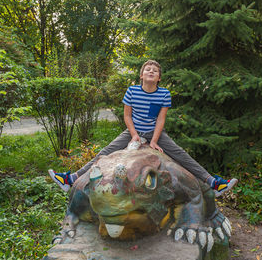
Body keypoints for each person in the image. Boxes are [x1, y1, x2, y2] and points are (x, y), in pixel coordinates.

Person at [48, 60, 237, 196]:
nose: (151, 71)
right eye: (148, 69)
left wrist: (154, 140)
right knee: (105, 152)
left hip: (155, 133)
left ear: (159, 78)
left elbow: (161, 119)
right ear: (141, 75)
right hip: (133, 131)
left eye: (155, 70)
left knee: (180, 154)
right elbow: (127, 116)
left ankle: (213, 183)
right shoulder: (132, 91)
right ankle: (71, 178)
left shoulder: (164, 94)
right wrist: (134, 135)